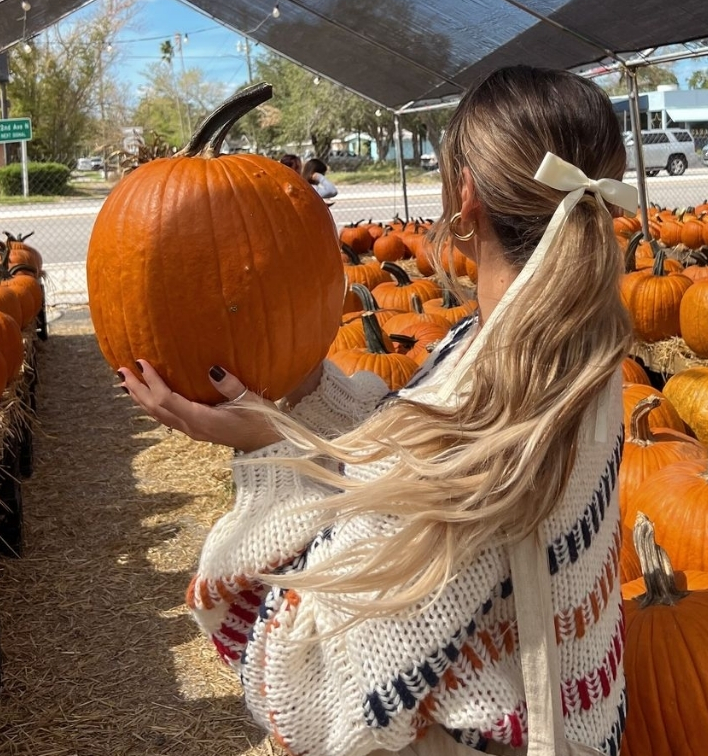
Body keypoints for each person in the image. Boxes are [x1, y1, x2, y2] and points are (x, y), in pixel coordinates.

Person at [117, 65, 635, 756]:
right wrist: (295, 410)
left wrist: (271, 462)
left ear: (466, 195)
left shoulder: (470, 430)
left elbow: (308, 698)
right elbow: (406, 437)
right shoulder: (582, 357)